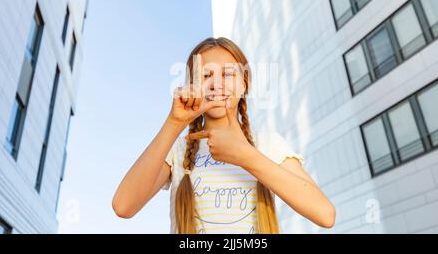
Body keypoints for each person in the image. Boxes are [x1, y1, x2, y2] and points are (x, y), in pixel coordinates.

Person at [112, 37, 335, 233]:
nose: (217, 83)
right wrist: (174, 123)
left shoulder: (268, 144)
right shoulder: (178, 150)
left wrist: (245, 156)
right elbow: (123, 206)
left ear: (244, 84)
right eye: (206, 75)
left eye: (227, 73)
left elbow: (325, 215)